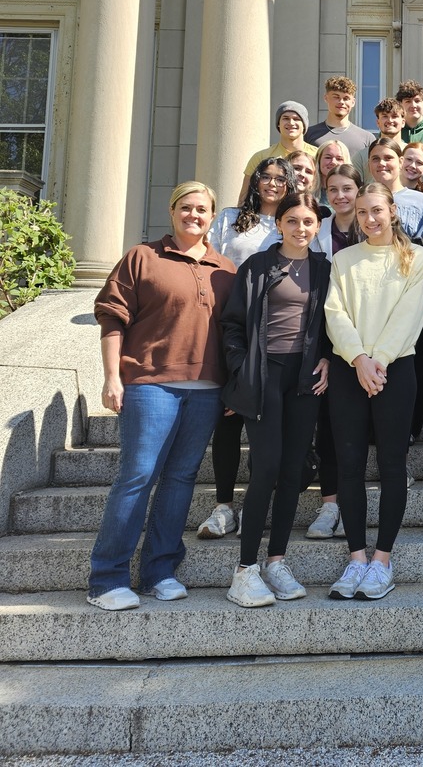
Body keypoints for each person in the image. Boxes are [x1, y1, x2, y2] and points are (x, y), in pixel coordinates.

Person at [87, 182, 236, 610]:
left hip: (206, 391)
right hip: (150, 385)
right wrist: (111, 377)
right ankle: (107, 578)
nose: (194, 215)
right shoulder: (142, 257)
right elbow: (113, 320)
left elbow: (232, 335)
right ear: (172, 212)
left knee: (181, 480)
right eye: (186, 208)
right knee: (137, 476)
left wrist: (232, 386)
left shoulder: (223, 268)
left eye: (203, 210)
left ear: (212, 218)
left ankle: (160, 571)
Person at [221, 193, 331, 607]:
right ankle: (245, 569)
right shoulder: (257, 267)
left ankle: (275, 561)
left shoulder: (324, 270)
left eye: (308, 222)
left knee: (293, 469)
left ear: (317, 226)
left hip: (305, 379)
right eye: (292, 221)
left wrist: (328, 360)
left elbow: (332, 324)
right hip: (265, 374)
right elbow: (232, 324)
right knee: (265, 467)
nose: (301, 228)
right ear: (279, 224)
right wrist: (241, 368)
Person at [325, 183, 423, 599]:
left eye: (378, 211)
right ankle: (355, 560)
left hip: (395, 370)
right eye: (363, 211)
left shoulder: (415, 258)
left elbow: (411, 314)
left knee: (391, 465)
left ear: (392, 212)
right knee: (349, 465)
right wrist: (358, 359)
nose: (370, 218)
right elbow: (335, 312)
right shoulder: (343, 259)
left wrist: (379, 360)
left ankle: (382, 560)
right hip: (351, 369)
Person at [196, 157, 297, 541]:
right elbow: (213, 261)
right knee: (230, 416)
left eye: (280, 178)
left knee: (268, 422)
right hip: (234, 325)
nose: (272, 184)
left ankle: (258, 504)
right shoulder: (229, 218)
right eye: (265, 177)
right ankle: (223, 506)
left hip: (277, 332)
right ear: (255, 181)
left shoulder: (293, 220)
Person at [367, 138, 423, 445]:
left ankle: (409, 427)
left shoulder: (422, 202)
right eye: (375, 159)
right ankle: (374, 426)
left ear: (401, 162)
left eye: (388, 158)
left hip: (412, 298)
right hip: (370, 300)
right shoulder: (362, 198)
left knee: (410, 362)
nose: (382, 164)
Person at [308, 164, 365, 539]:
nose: (340, 196)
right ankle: (330, 504)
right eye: (333, 189)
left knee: (359, 429)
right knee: (328, 427)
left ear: (359, 190)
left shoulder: (373, 228)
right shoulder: (319, 233)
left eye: (347, 188)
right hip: (326, 333)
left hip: (370, 338)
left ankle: (353, 503)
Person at [239, 102, 317, 204]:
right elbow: (245, 196)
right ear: (278, 124)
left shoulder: (318, 155)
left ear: (304, 125)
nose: (291, 122)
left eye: (296, 119)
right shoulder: (261, 157)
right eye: (285, 118)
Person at [305, 75, 376, 159]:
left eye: (346, 98)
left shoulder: (367, 138)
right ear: (326, 98)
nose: (341, 102)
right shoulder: (308, 134)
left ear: (353, 102)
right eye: (336, 97)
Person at [353, 97, 405, 181]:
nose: (390, 120)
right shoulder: (362, 156)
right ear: (378, 122)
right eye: (385, 116)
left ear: (403, 122)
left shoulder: (411, 153)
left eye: (394, 116)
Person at [315, 139, 352, 206]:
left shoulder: (354, 194)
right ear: (319, 160)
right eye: (328, 157)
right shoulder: (307, 191)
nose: (333, 162)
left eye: (339, 159)